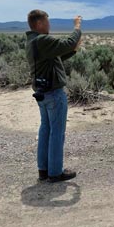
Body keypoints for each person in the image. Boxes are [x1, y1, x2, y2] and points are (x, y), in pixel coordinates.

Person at [25, 10, 83, 182]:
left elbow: (57, 55)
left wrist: (73, 50)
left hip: (43, 93)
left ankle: (43, 170)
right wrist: (77, 27)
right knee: (57, 132)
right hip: (53, 93)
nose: (49, 25)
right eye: (47, 21)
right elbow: (68, 42)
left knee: (46, 130)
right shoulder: (42, 40)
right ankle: (55, 172)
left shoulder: (32, 41)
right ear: (40, 23)